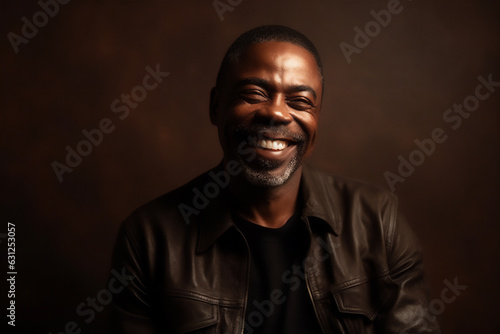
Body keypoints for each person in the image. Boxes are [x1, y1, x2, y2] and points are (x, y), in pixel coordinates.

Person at [110, 25, 440, 334]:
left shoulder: (379, 221)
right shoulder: (149, 238)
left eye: (299, 102)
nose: (277, 113)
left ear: (317, 119)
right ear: (215, 106)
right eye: (253, 94)